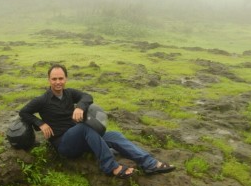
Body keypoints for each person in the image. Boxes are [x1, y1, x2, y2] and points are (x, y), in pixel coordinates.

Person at [19, 64, 175, 178]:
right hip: (64, 144)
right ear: (49, 80)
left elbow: (87, 97)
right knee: (84, 128)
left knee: (114, 135)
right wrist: (40, 123)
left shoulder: (69, 94)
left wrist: (79, 106)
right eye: (54, 79)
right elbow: (23, 112)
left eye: (61, 78)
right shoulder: (42, 100)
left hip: (81, 139)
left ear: (65, 79)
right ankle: (111, 166)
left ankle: (149, 164)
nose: (58, 82)